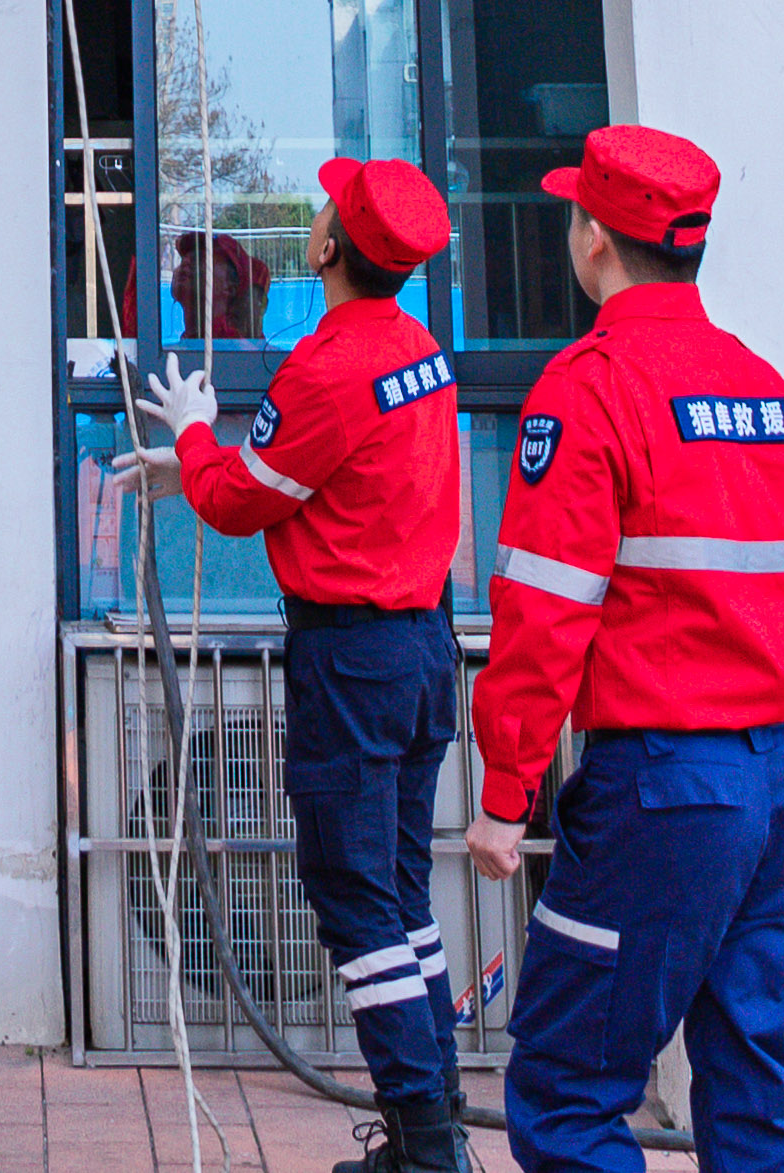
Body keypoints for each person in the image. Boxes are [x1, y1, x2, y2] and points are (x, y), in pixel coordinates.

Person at [464, 126, 784, 1173]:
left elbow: (543, 615)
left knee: (567, 1091)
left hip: (666, 794)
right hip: (782, 788)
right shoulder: (769, 397)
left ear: (592, 239)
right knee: (758, 1087)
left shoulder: (590, 389)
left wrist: (504, 793)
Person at [127, 158, 469, 1173]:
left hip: (352, 660)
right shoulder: (421, 352)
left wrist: (192, 436)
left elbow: (241, 504)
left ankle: (423, 1142)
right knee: (401, 895)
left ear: (326, 248)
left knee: (352, 895)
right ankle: (436, 1109)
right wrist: (197, 464)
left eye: (324, 209)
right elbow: (319, 478)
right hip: (418, 650)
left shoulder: (325, 365)